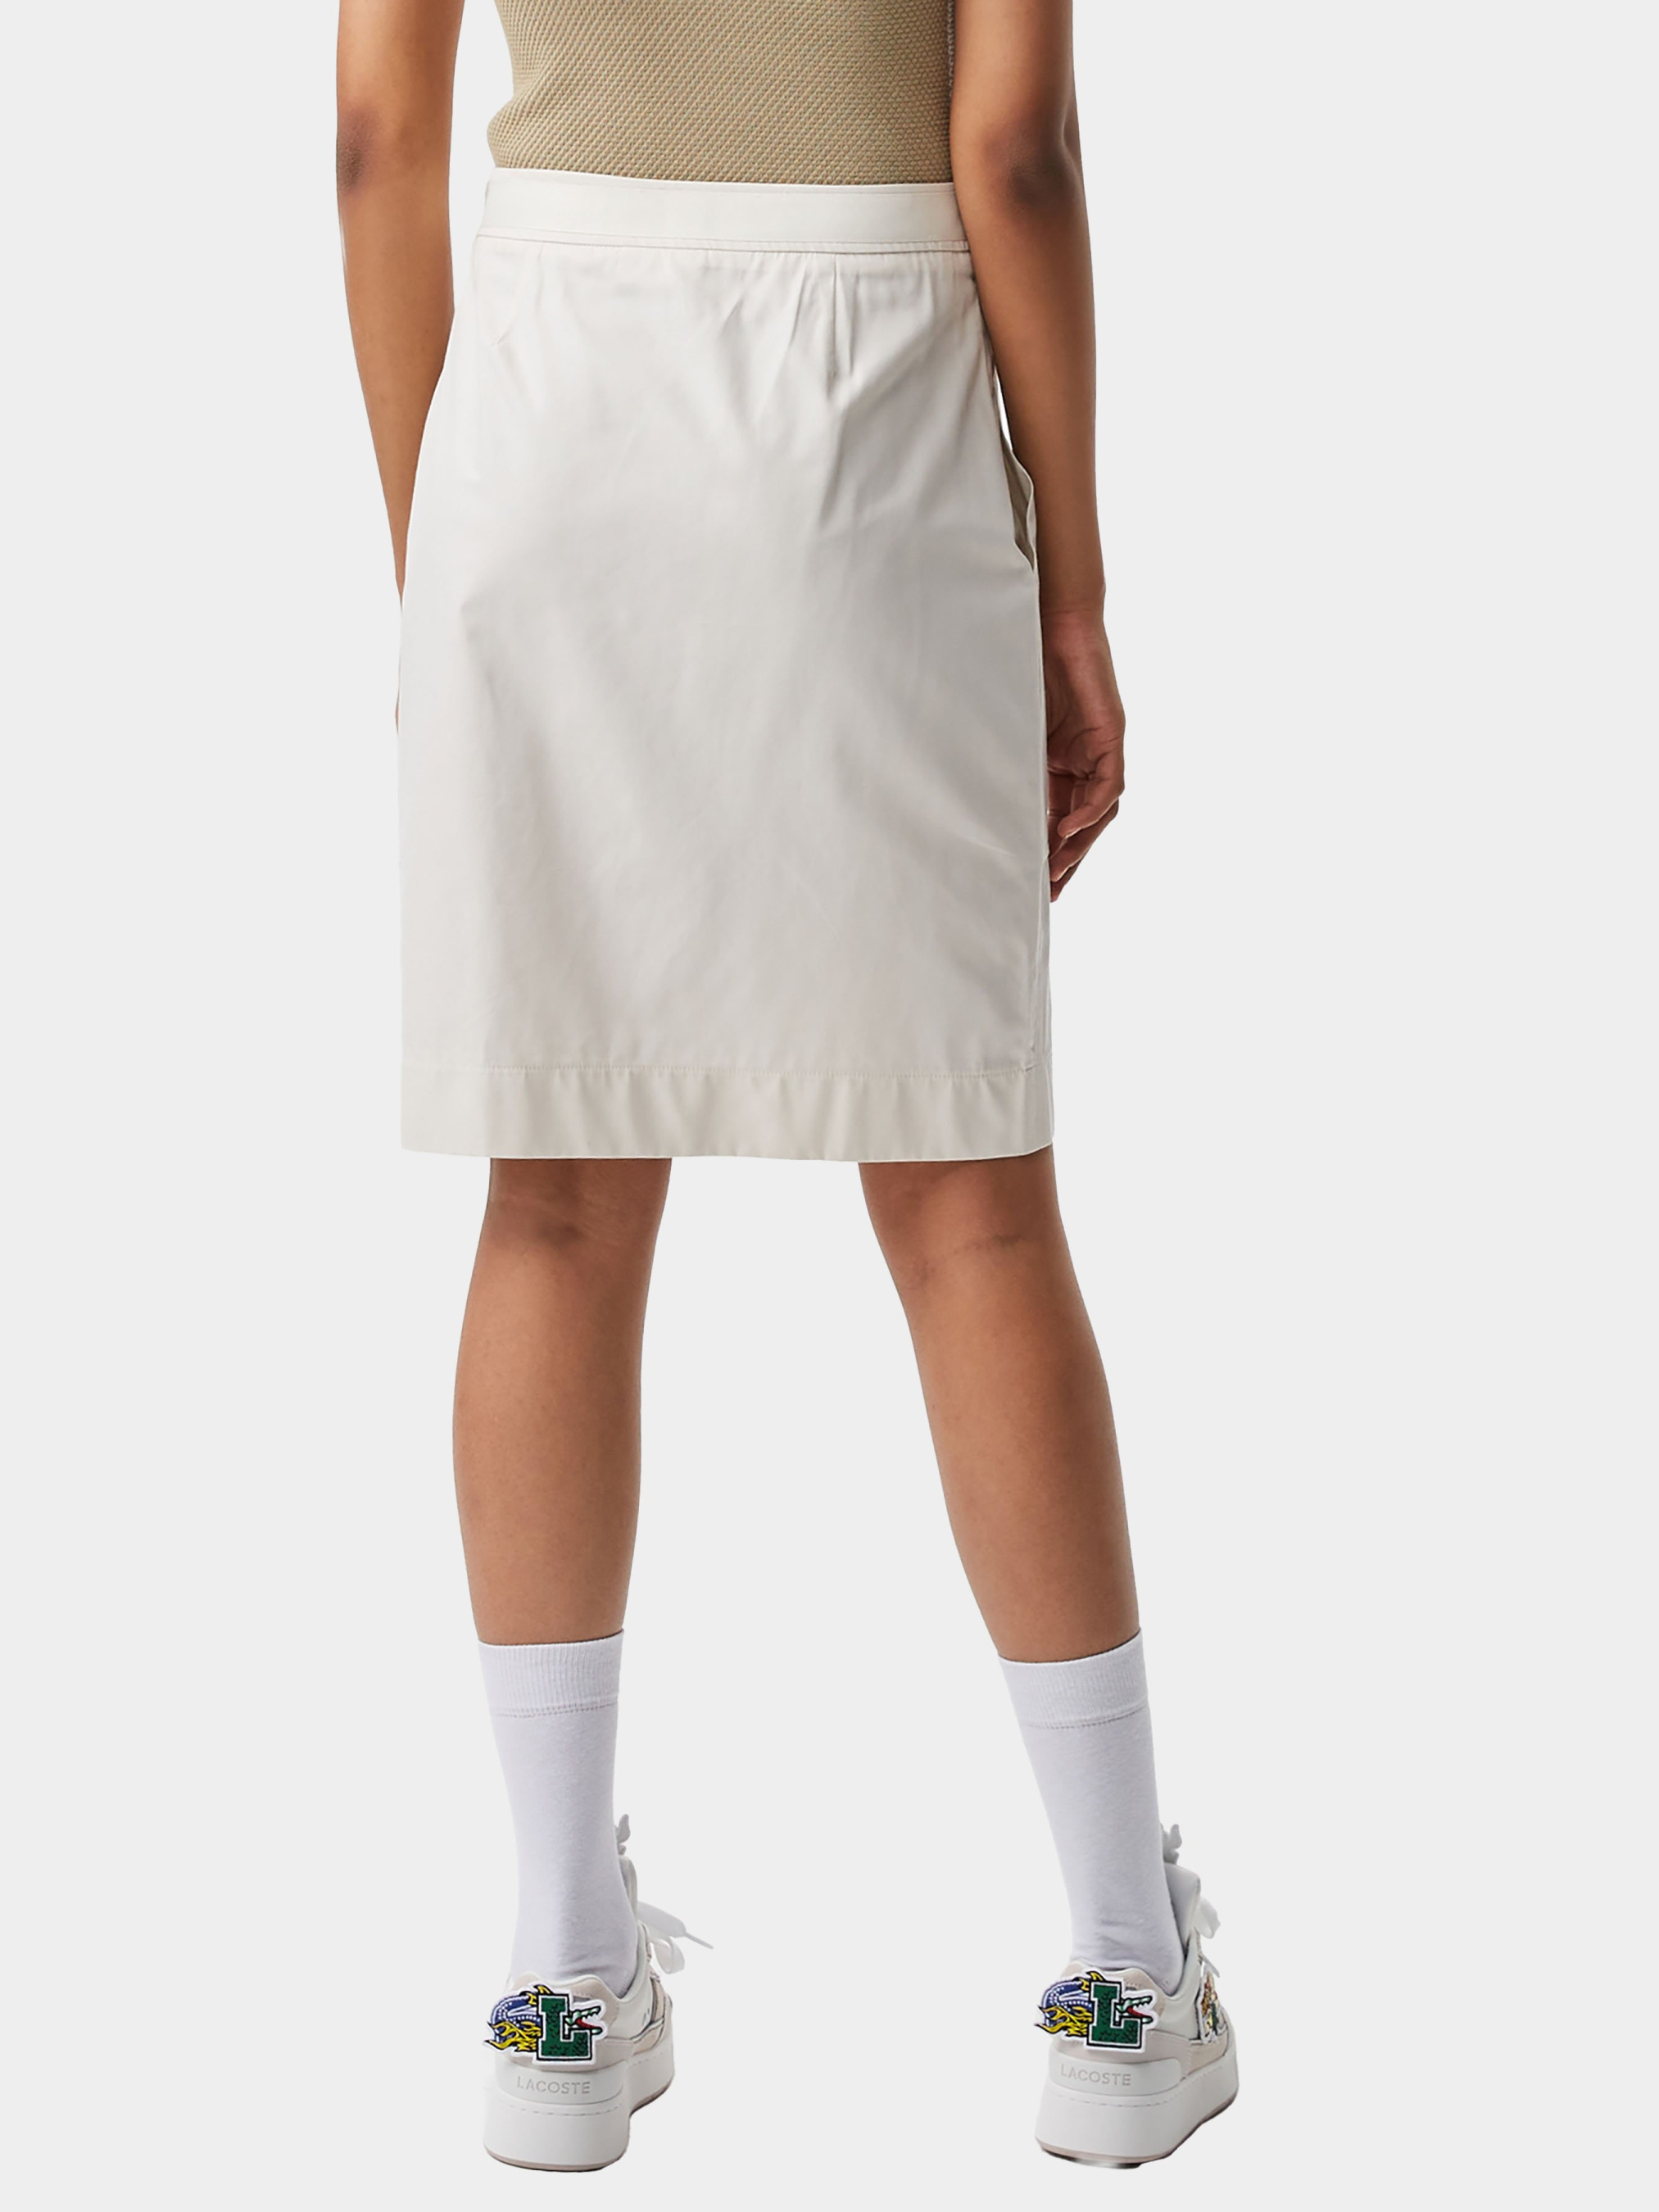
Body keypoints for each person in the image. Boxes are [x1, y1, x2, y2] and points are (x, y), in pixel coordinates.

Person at [337, 0, 1235, 2171]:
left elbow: (376, 137)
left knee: (556, 1202)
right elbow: (1010, 150)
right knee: (968, 1208)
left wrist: (438, 546)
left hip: (548, 399)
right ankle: (1124, 1979)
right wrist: (1076, 593)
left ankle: (560, 1983)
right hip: (876, 403)